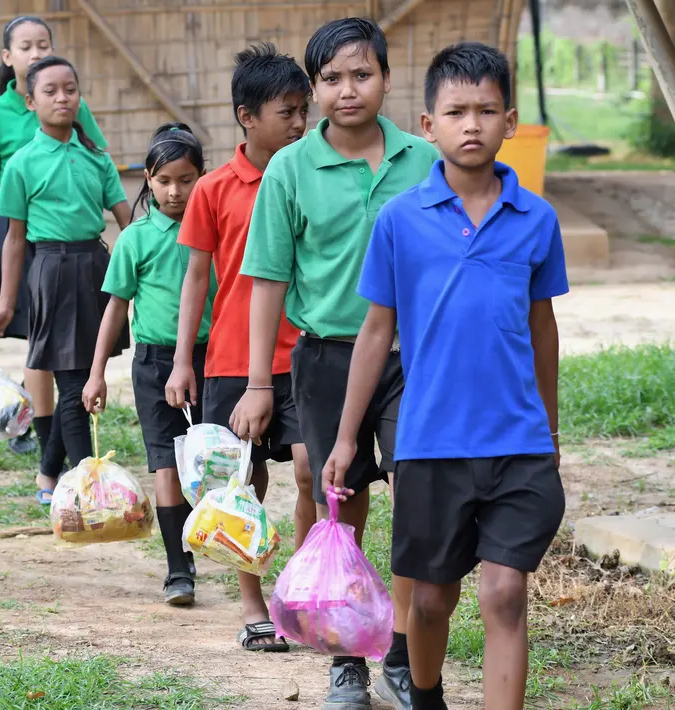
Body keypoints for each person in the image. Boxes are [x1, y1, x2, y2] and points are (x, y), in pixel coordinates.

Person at [325, 43, 568, 710]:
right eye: (455, 111)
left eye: (486, 110)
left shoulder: (535, 220)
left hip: (516, 442)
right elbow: (376, 331)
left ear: (509, 120)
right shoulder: (400, 220)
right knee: (430, 602)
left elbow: (542, 328)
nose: (471, 125)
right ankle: (425, 694)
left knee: (504, 592)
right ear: (427, 125)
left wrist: (548, 427)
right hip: (429, 443)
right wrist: (347, 440)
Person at [233, 18, 440, 710]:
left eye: (362, 74)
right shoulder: (289, 168)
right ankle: (346, 658)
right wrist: (261, 381)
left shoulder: (424, 158)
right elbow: (266, 279)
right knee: (339, 505)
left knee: (419, 496)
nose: (347, 90)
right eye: (331, 79)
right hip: (325, 359)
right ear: (313, 89)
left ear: (385, 77)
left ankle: (406, 657)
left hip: (415, 359)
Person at [165, 43, 314, 652]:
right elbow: (196, 278)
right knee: (240, 486)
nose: (302, 122)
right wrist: (183, 360)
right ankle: (255, 604)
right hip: (231, 356)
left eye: (305, 109)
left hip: (304, 352)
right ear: (246, 116)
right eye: (288, 111)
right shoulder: (213, 189)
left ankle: (302, 590)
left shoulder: (314, 174)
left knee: (310, 469)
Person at [0, 15, 110, 469]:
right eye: (26, 46)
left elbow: (99, 163)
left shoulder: (70, 104)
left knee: (60, 351)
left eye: (43, 44)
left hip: (75, 250)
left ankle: (51, 456)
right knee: (40, 345)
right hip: (19, 239)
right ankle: (45, 442)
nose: (37, 52)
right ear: (8, 58)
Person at [0, 56, 131, 477]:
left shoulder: (98, 159)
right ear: (31, 102)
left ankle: (49, 471)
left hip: (96, 269)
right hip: (51, 270)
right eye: (50, 91)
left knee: (83, 378)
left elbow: (127, 223)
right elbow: (13, 238)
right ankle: (86, 484)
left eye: (70, 90)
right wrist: (6, 305)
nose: (62, 98)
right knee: (70, 383)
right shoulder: (22, 163)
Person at [83, 123, 211, 606]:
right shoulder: (135, 239)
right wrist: (97, 373)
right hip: (154, 365)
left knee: (216, 460)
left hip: (211, 360)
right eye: (164, 181)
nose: (175, 191)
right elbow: (115, 307)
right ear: (148, 182)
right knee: (166, 464)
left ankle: (218, 541)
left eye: (186, 179)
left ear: (202, 177)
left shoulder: (216, 229)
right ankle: (179, 570)